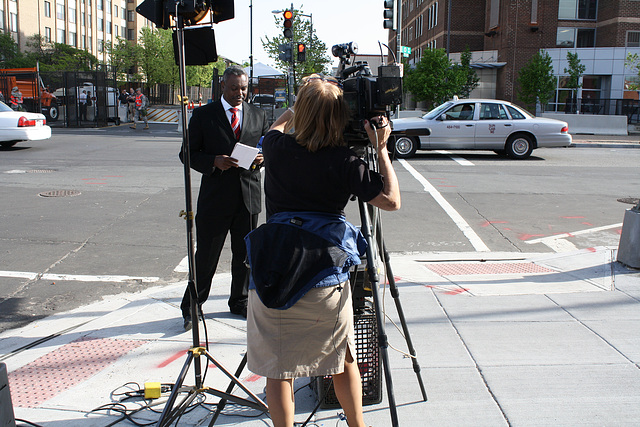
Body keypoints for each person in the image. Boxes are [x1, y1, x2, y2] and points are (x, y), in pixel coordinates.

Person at [244, 74, 400, 427]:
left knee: (279, 370)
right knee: (343, 360)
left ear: (302, 111)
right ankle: (357, 425)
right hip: (323, 279)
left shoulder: (274, 148)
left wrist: (299, 102)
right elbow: (391, 201)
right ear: (339, 117)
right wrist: (381, 148)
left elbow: (278, 125)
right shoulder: (345, 162)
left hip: (274, 275)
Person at [179, 65, 269, 329]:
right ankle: (192, 306)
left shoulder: (258, 114)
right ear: (222, 86)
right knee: (206, 255)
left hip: (248, 197)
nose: (239, 93)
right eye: (234, 88)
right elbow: (187, 154)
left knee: (245, 255)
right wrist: (214, 161)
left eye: (243, 88)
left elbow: (266, 146)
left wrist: (263, 158)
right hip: (215, 198)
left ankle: (239, 301)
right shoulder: (203, 115)